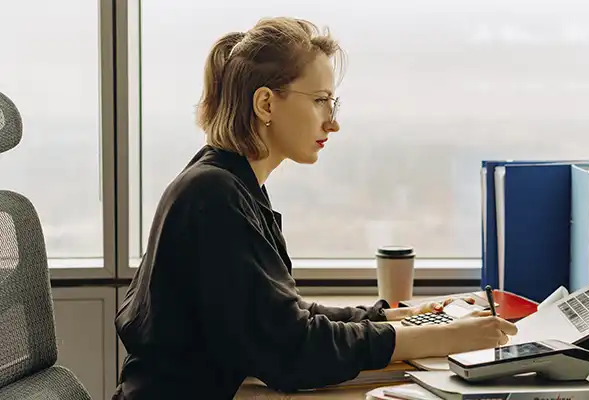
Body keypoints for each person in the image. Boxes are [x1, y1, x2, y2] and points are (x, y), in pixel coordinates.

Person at [113, 16, 518, 400]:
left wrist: (396, 317)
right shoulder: (214, 195)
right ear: (266, 104)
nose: (332, 122)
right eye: (321, 101)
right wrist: (444, 338)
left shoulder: (228, 183)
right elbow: (293, 350)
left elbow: (283, 318)